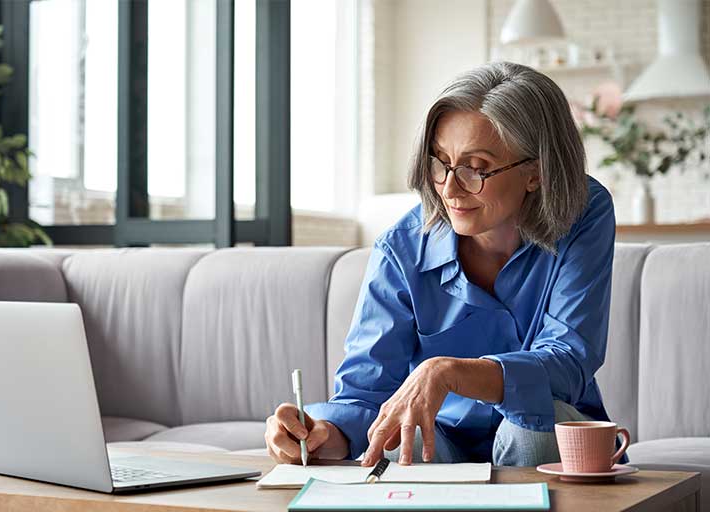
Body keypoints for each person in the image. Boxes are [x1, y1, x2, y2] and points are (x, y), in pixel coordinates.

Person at [265, 61, 620, 468]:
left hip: (543, 434)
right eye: (440, 162)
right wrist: (322, 434)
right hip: (442, 440)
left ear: (535, 173)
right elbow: (366, 393)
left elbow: (569, 358)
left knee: (532, 425)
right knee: (402, 439)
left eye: (476, 168)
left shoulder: (584, 212)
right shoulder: (401, 248)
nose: (449, 189)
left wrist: (449, 372)